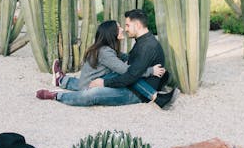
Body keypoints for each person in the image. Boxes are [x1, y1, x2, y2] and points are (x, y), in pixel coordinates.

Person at [37, 9, 179, 109]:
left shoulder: (147, 46)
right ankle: (62, 80)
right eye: (122, 27)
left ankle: (57, 96)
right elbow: (128, 66)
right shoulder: (142, 42)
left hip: (136, 92)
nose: (125, 29)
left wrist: (104, 82)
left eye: (128, 25)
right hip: (131, 83)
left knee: (93, 93)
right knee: (89, 83)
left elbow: (130, 74)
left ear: (137, 25)